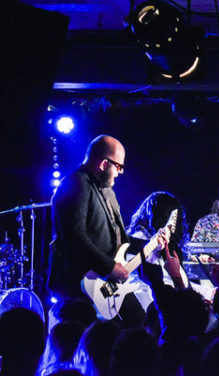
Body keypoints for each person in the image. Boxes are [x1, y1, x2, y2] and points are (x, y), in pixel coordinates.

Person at [47, 135, 166, 325]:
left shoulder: (108, 191)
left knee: (138, 325)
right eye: (118, 166)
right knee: (86, 336)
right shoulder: (74, 185)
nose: (120, 172)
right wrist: (109, 267)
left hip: (107, 282)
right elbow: (74, 237)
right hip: (79, 285)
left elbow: (121, 240)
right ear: (103, 164)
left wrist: (151, 243)